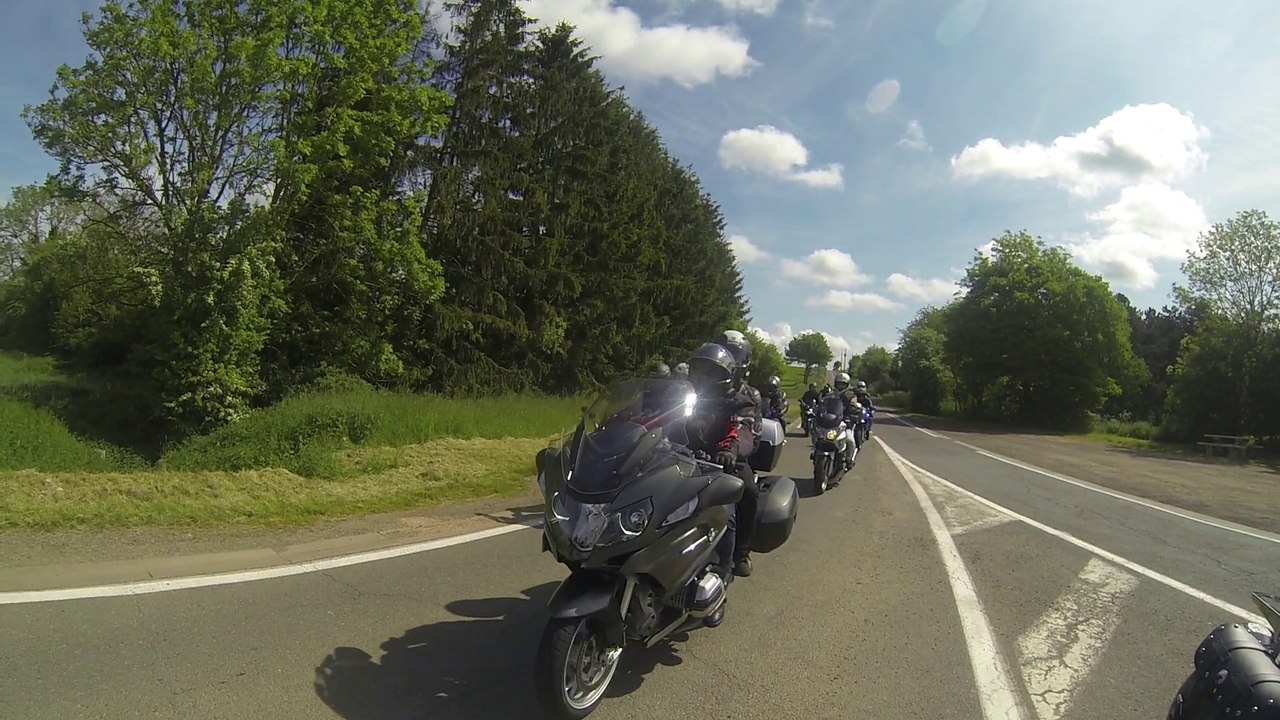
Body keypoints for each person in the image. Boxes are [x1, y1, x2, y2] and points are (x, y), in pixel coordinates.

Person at [683, 343, 758, 621]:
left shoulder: (740, 399)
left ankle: (731, 564)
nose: (701, 377)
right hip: (683, 461)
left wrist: (730, 451)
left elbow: (745, 430)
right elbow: (660, 418)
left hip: (723, 464)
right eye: (698, 371)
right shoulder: (685, 396)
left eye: (709, 373)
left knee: (742, 496)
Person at [711, 329, 762, 578]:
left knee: (749, 492)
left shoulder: (749, 395)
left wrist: (730, 451)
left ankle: (740, 553)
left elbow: (746, 430)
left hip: (731, 459)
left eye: (734, 354)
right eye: (725, 352)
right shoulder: (698, 386)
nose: (729, 358)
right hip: (691, 454)